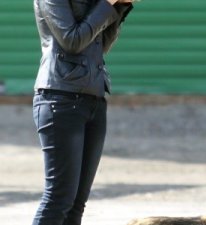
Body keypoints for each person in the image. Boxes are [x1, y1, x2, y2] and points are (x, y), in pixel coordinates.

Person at [32, 0, 134, 224]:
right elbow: (72, 41)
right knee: (59, 198)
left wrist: (119, 7)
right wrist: (108, 3)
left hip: (94, 99)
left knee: (77, 203)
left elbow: (101, 45)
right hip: (60, 98)